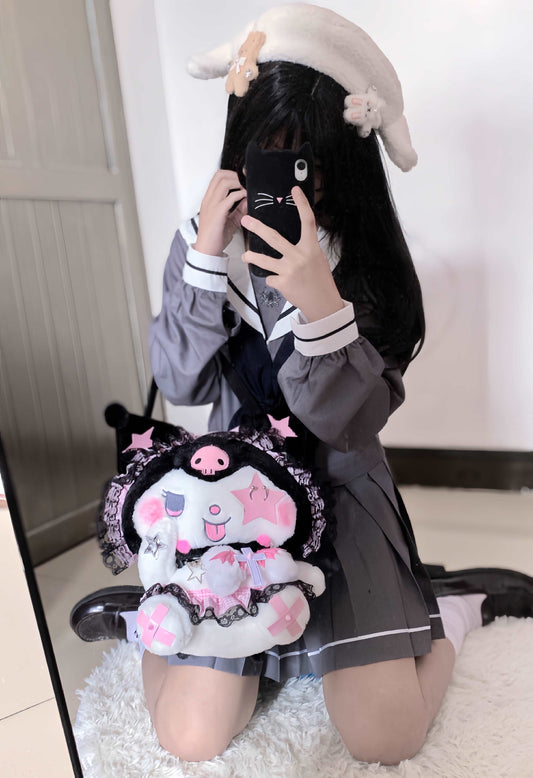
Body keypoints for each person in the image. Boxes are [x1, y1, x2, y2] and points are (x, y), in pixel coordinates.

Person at [71, 4, 533, 766]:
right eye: (267, 153)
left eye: (306, 162)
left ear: (342, 163)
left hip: (340, 497)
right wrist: (203, 264)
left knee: (384, 735)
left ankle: (453, 606)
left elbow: (344, 424)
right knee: (190, 733)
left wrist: (319, 304)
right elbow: (179, 378)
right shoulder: (204, 246)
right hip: (231, 503)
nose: (287, 181)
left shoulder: (363, 265)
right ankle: (151, 615)